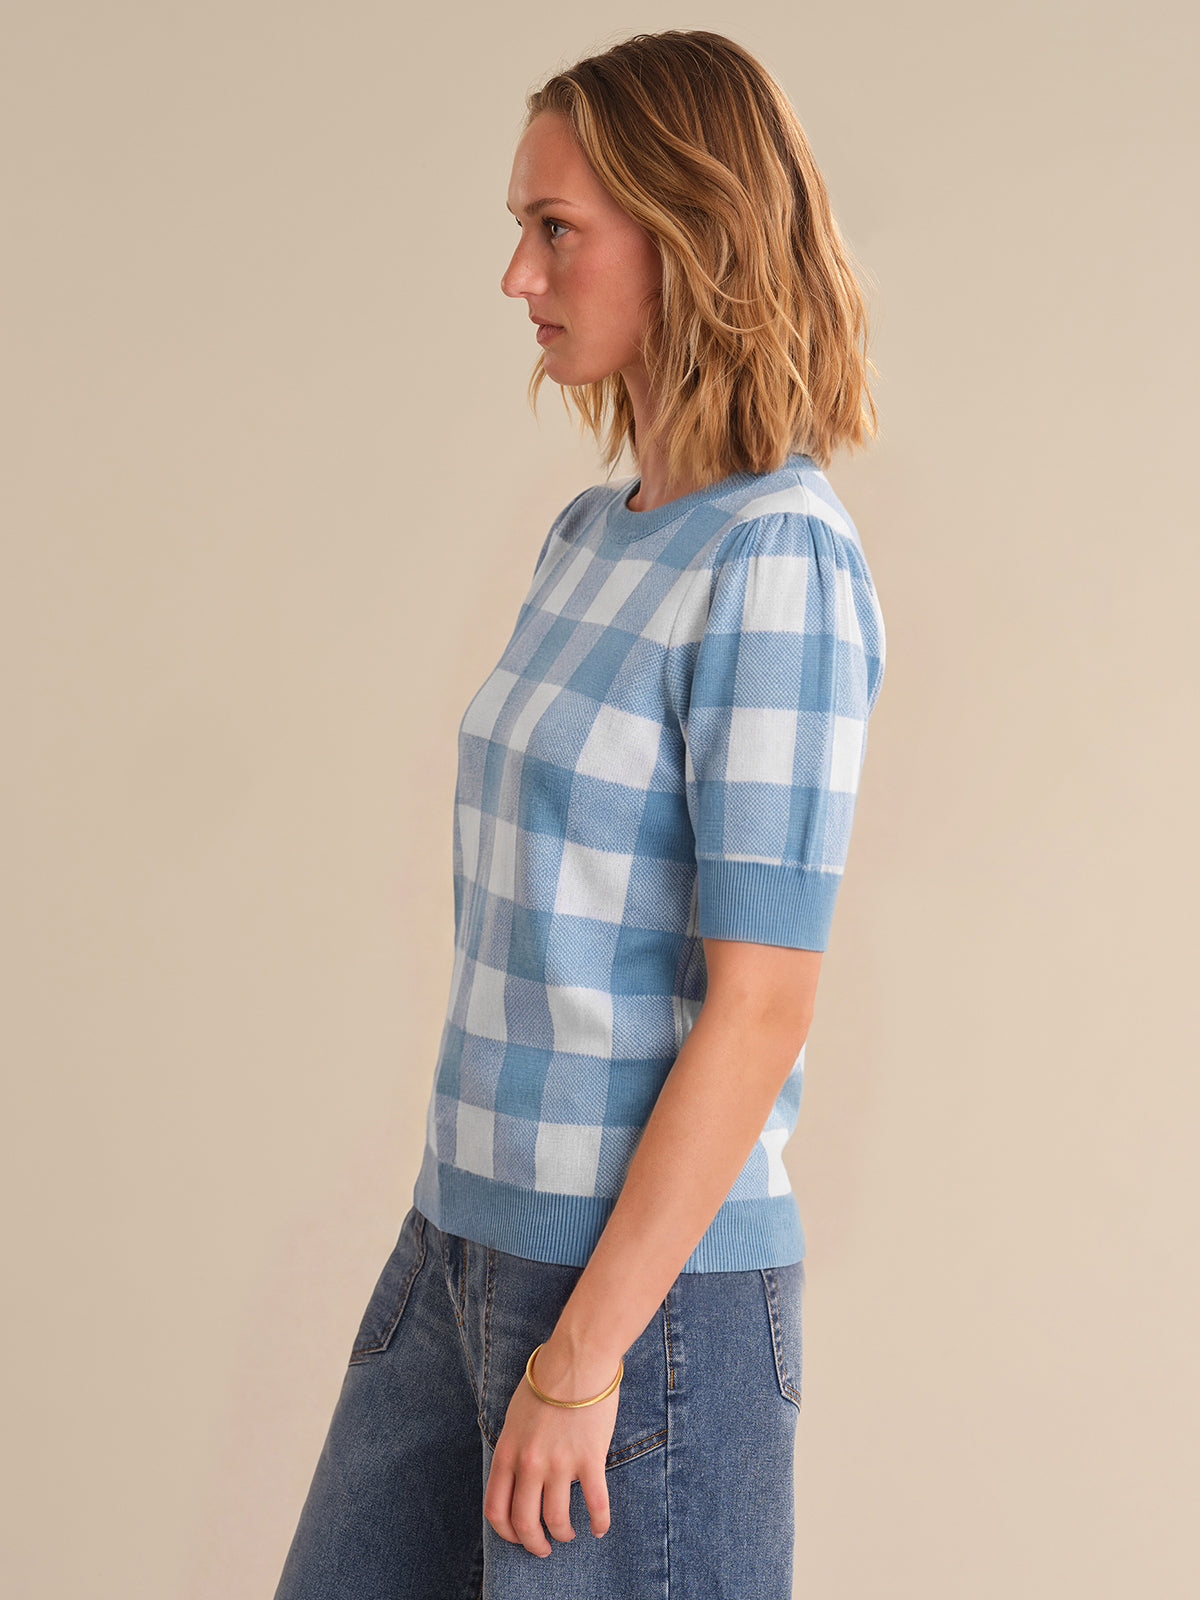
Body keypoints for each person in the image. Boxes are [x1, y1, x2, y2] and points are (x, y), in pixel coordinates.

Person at [273, 27, 886, 1600]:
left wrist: (583, 1354)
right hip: (459, 1243)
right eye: (520, 228)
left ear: (691, 235)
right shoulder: (588, 539)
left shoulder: (778, 558)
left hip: (640, 1307)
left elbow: (761, 1005)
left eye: (556, 229)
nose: (518, 276)